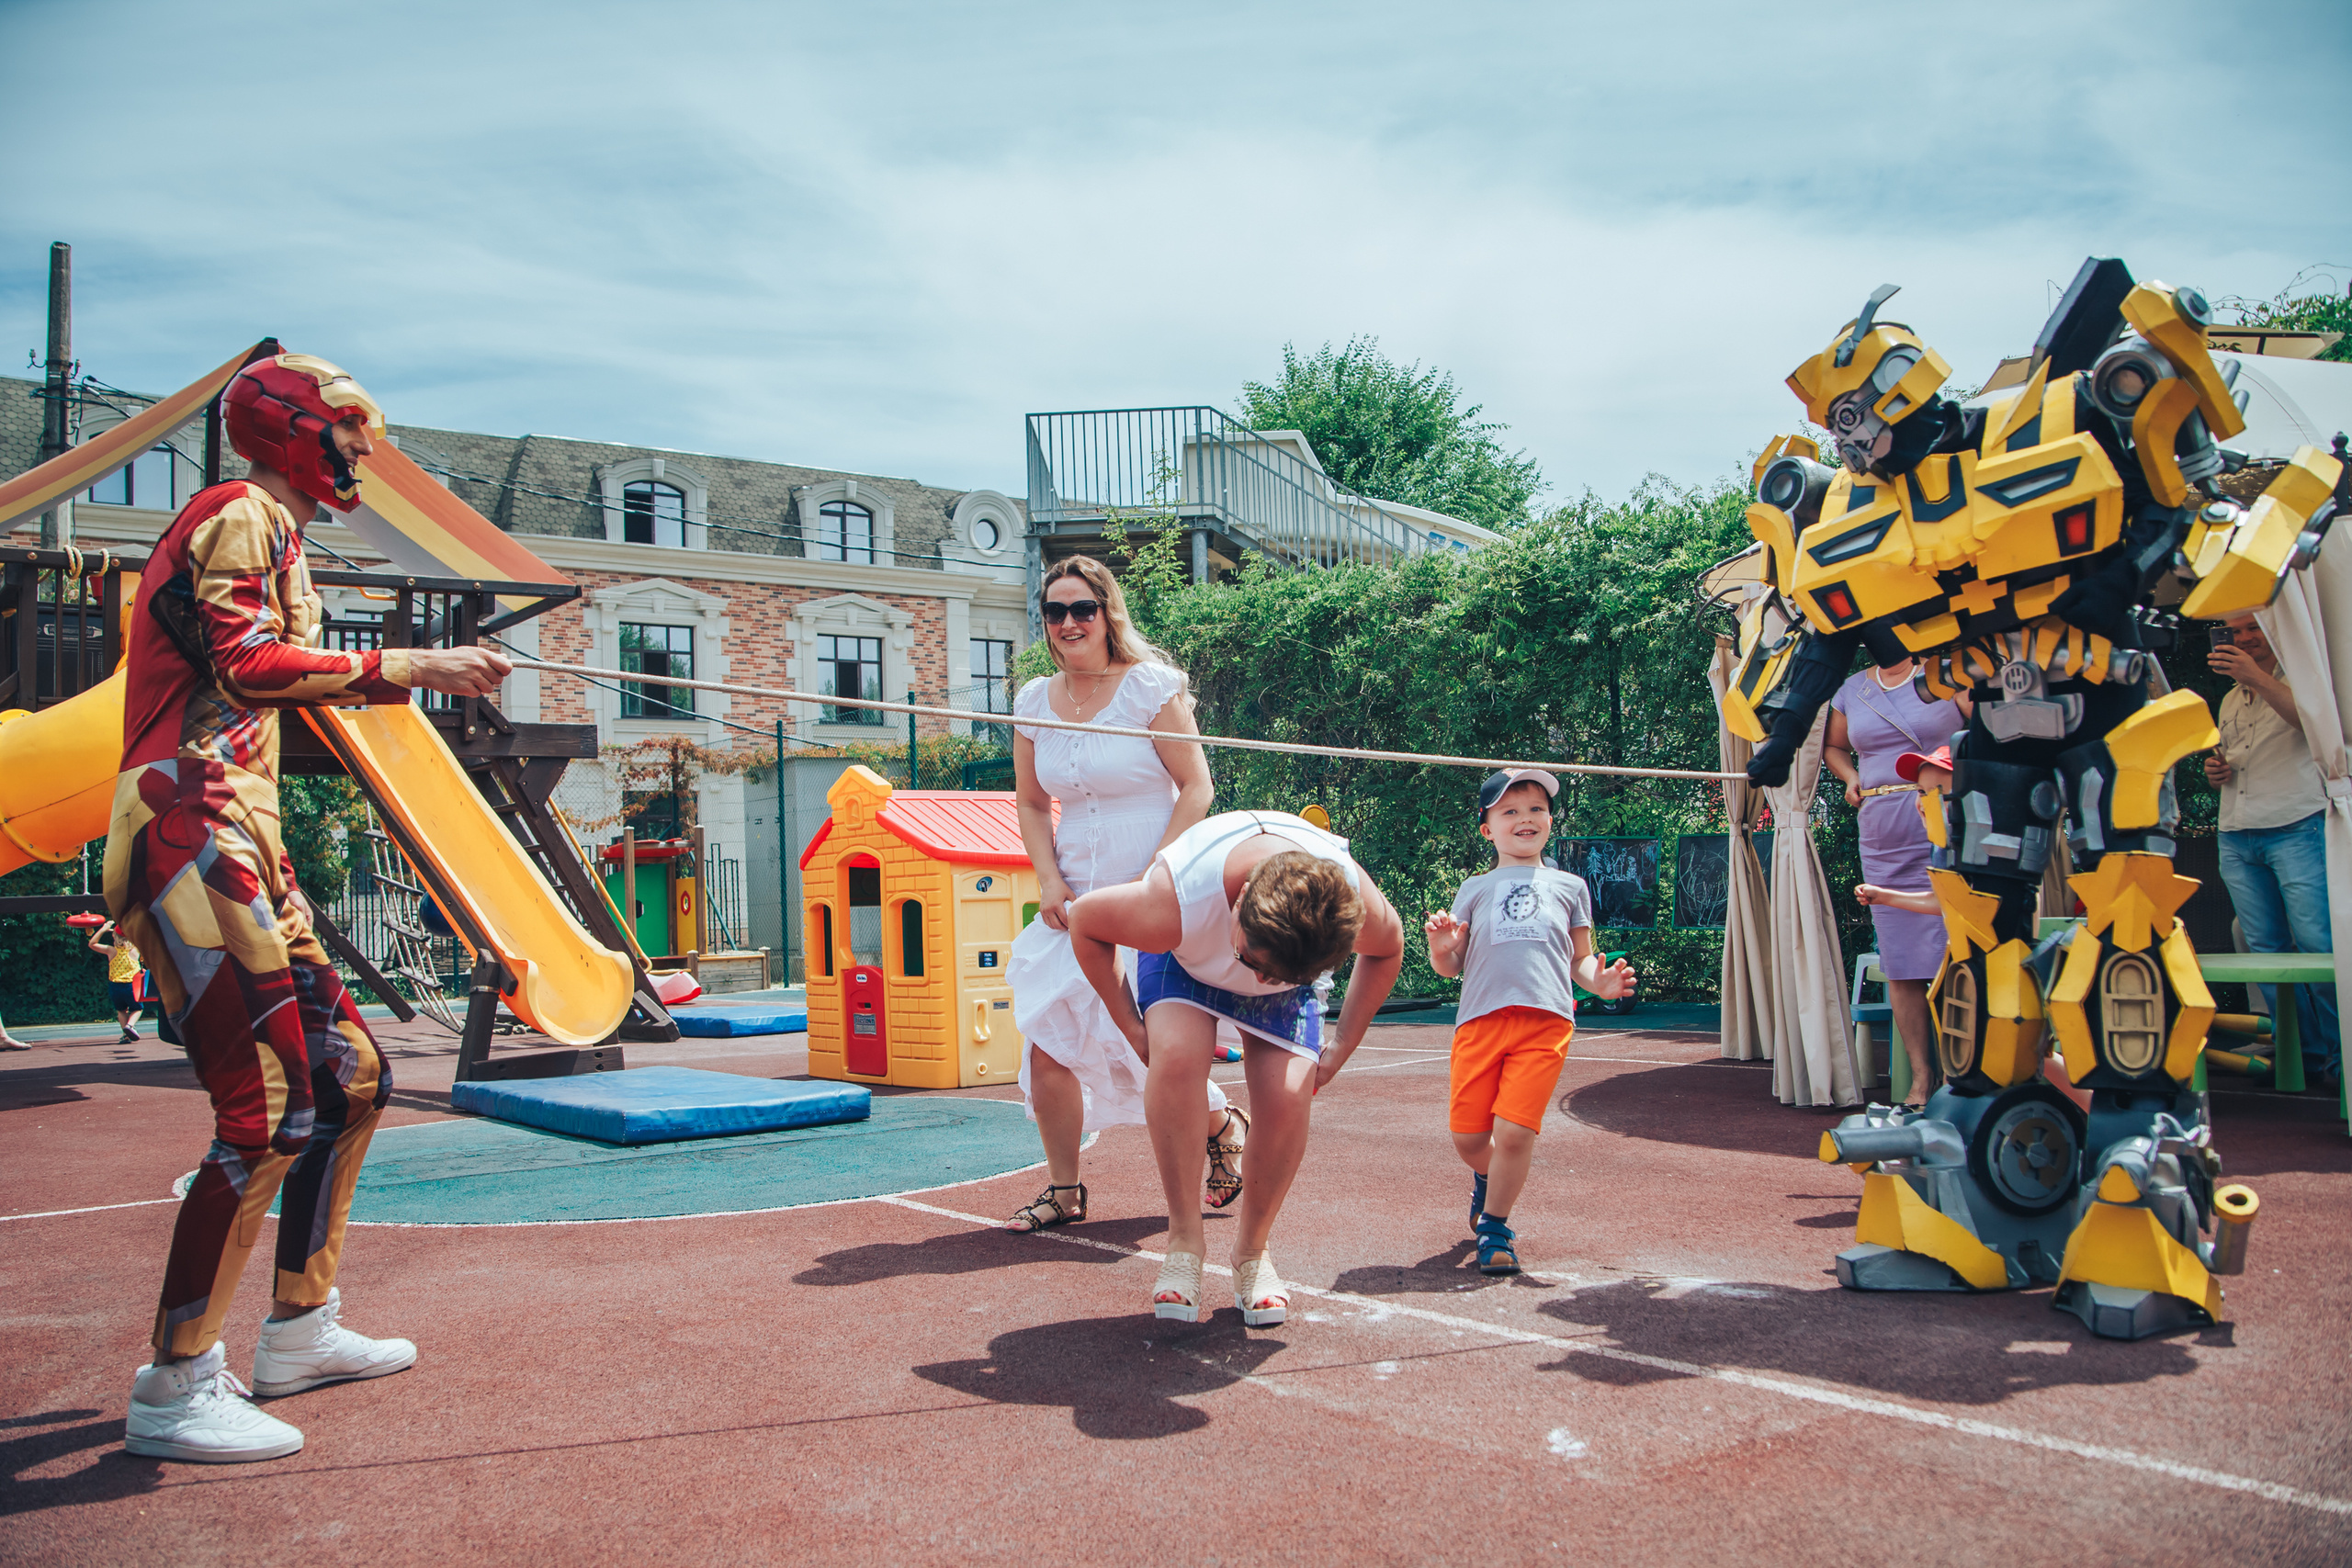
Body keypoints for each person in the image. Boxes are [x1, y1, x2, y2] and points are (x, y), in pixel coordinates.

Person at [111, 354, 510, 1464]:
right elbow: (243, 665)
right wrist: (412, 664)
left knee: (350, 1078)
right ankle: (176, 1382)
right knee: (268, 1104)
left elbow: (264, 672)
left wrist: (402, 671)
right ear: (292, 428)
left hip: (243, 832)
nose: (364, 454)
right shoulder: (239, 513)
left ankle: (298, 1329)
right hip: (190, 821)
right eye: (349, 432)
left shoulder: (279, 535)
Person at [1066, 808, 1406, 1325]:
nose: (1260, 981)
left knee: (1290, 1094)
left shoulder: (1347, 902)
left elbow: (1389, 946)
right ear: (1243, 898)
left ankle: (1252, 1252)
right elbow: (1086, 923)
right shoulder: (1172, 902)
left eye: (1277, 976)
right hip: (1187, 956)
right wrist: (1132, 1027)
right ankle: (1184, 1241)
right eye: (1253, 964)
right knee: (1175, 1057)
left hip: (1286, 957)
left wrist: (1342, 1044)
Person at [1001, 556, 1242, 1232]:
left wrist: (1155, 874)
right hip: (1073, 890)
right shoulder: (1032, 701)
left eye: (1083, 608)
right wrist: (1049, 879)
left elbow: (1196, 787)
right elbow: (1031, 801)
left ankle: (1220, 1123)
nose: (1069, 622)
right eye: (1056, 611)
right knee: (1047, 1038)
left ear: (1107, 613)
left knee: (1150, 1043)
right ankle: (1065, 1191)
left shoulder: (1150, 688)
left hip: (1154, 885)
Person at [1423, 771, 1634, 1277]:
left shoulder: (1571, 887)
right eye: (1510, 811)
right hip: (1479, 1023)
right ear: (1487, 829)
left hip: (1546, 1023)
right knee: (1470, 1139)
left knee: (1515, 1132)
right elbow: (1451, 965)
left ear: (1550, 821)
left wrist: (1600, 983)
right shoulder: (1475, 888)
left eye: (1537, 808)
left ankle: (1495, 1227)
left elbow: (1580, 960)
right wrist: (1440, 948)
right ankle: (1488, 1179)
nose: (1526, 818)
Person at [1825, 655, 1969, 1108]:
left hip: (1943, 813)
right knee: (1901, 962)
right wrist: (1851, 777)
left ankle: (1963, 1076)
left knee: (1956, 949)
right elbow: (1833, 747)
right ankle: (1921, 1080)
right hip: (1881, 824)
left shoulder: (1949, 670)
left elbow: (1990, 727)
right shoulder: (1852, 688)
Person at [2204, 612, 2340, 1088]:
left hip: (2296, 824)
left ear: (2274, 630)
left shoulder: (2303, 680)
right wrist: (2217, 771)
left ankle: (2341, 1057)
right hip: (2236, 830)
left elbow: (2319, 728)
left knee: (2319, 945)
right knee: (2263, 949)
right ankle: (2301, 1053)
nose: (2243, 638)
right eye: (2235, 631)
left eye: (2252, 629)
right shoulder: (2229, 698)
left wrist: (2257, 678)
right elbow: (2234, 759)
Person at [87, 919, 147, 1043]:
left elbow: (92, 944)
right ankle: (130, 1026)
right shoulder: (135, 950)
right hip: (131, 986)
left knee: (121, 1010)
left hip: (115, 986)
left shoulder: (111, 950)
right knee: (137, 1009)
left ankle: (125, 1036)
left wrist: (103, 929)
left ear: (114, 936)